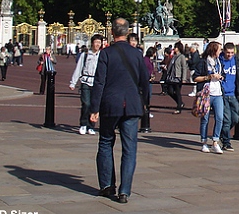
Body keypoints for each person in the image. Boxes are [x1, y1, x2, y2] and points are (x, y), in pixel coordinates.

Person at [89, 17, 150, 204]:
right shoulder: (137, 54)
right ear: (127, 32)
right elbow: (145, 81)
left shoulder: (106, 53)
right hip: (131, 105)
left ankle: (107, 185)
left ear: (112, 32)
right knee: (129, 149)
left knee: (106, 142)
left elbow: (99, 82)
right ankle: (124, 191)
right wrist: (145, 103)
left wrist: (94, 108)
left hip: (110, 104)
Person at [193, 41, 225, 154]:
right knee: (205, 119)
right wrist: (208, 77)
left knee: (220, 117)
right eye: (219, 49)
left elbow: (223, 74)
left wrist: (221, 77)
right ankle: (204, 142)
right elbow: (195, 78)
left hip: (218, 93)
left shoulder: (219, 62)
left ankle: (215, 141)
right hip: (206, 93)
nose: (220, 52)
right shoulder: (203, 62)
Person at [69, 33, 102, 135]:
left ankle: (91, 126)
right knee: (86, 104)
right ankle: (83, 124)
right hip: (86, 81)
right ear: (92, 43)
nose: (97, 44)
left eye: (99, 42)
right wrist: (73, 82)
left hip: (97, 82)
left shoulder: (102, 55)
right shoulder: (85, 55)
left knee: (94, 105)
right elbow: (78, 68)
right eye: (96, 42)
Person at [220, 42, 239, 150]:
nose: (230, 55)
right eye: (228, 52)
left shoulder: (237, 62)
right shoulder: (220, 61)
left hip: (233, 94)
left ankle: (221, 133)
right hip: (223, 94)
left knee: (235, 118)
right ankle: (226, 142)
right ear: (224, 51)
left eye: (231, 52)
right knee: (227, 120)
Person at [164, 42, 189, 114]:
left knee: (177, 92)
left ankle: (179, 108)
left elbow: (184, 68)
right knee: (170, 91)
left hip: (178, 77)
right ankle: (180, 102)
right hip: (171, 76)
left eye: (175, 47)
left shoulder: (182, 57)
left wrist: (184, 78)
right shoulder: (174, 56)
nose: (174, 48)